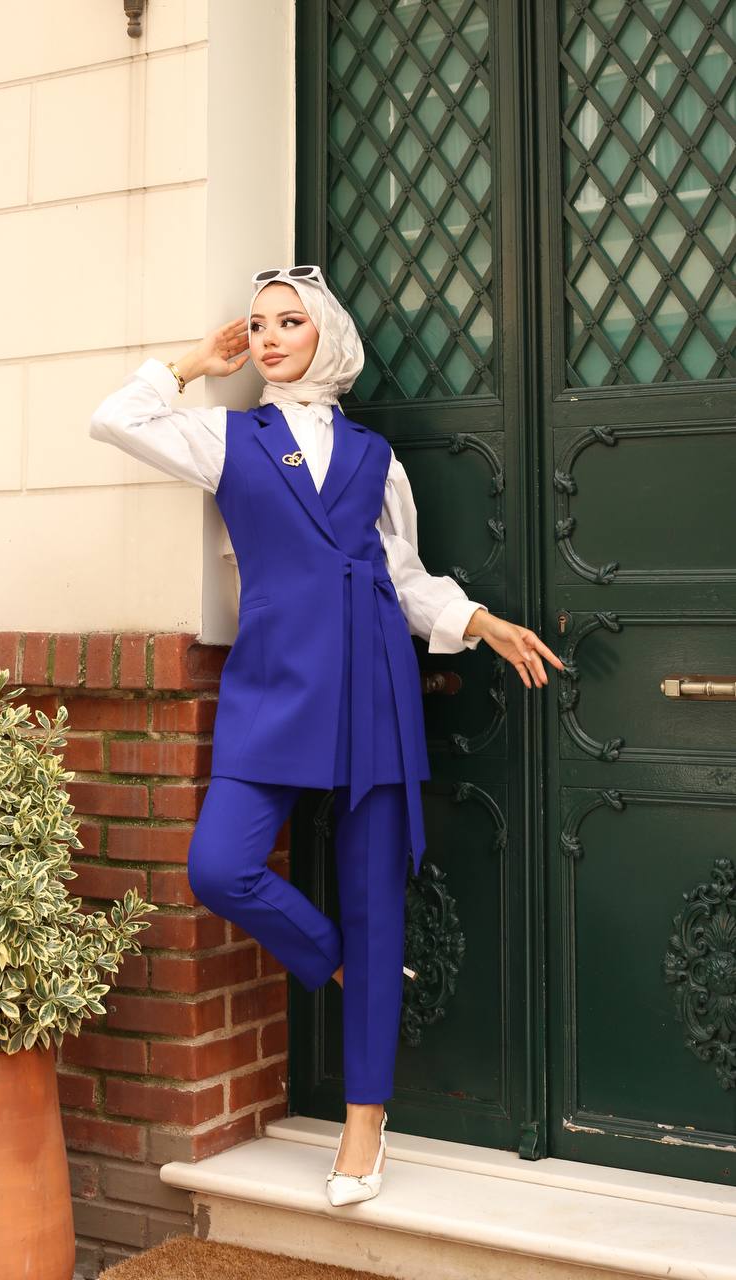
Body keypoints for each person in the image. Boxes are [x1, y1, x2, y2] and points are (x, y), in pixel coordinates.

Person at [89, 264, 564, 1206]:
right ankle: (339, 960)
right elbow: (116, 418)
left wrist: (481, 625)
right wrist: (193, 363)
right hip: (271, 685)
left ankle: (363, 1124)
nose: (268, 338)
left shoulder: (375, 458)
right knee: (219, 867)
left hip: (371, 683)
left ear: (327, 339)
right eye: (258, 323)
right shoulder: (228, 437)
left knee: (375, 899)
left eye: (289, 322)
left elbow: (404, 575)